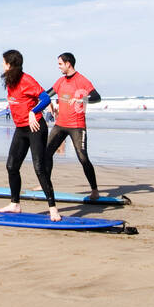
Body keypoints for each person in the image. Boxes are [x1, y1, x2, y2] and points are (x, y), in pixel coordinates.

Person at [0, 49, 59, 221]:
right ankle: (15, 204)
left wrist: (33, 111)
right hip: (21, 129)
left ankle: (53, 208)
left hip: (35, 127)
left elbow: (46, 98)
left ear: (10, 64)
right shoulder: (10, 81)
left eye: (3, 62)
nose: (2, 66)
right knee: (11, 166)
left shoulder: (27, 80)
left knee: (39, 167)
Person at [41, 53, 103, 201]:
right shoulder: (60, 81)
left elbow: (97, 97)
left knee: (83, 158)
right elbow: (46, 94)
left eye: (60, 64)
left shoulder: (82, 80)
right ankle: (45, 184)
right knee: (46, 154)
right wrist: (45, 102)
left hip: (77, 126)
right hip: (60, 124)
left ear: (68, 63)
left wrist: (81, 98)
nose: (59, 67)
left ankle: (94, 190)